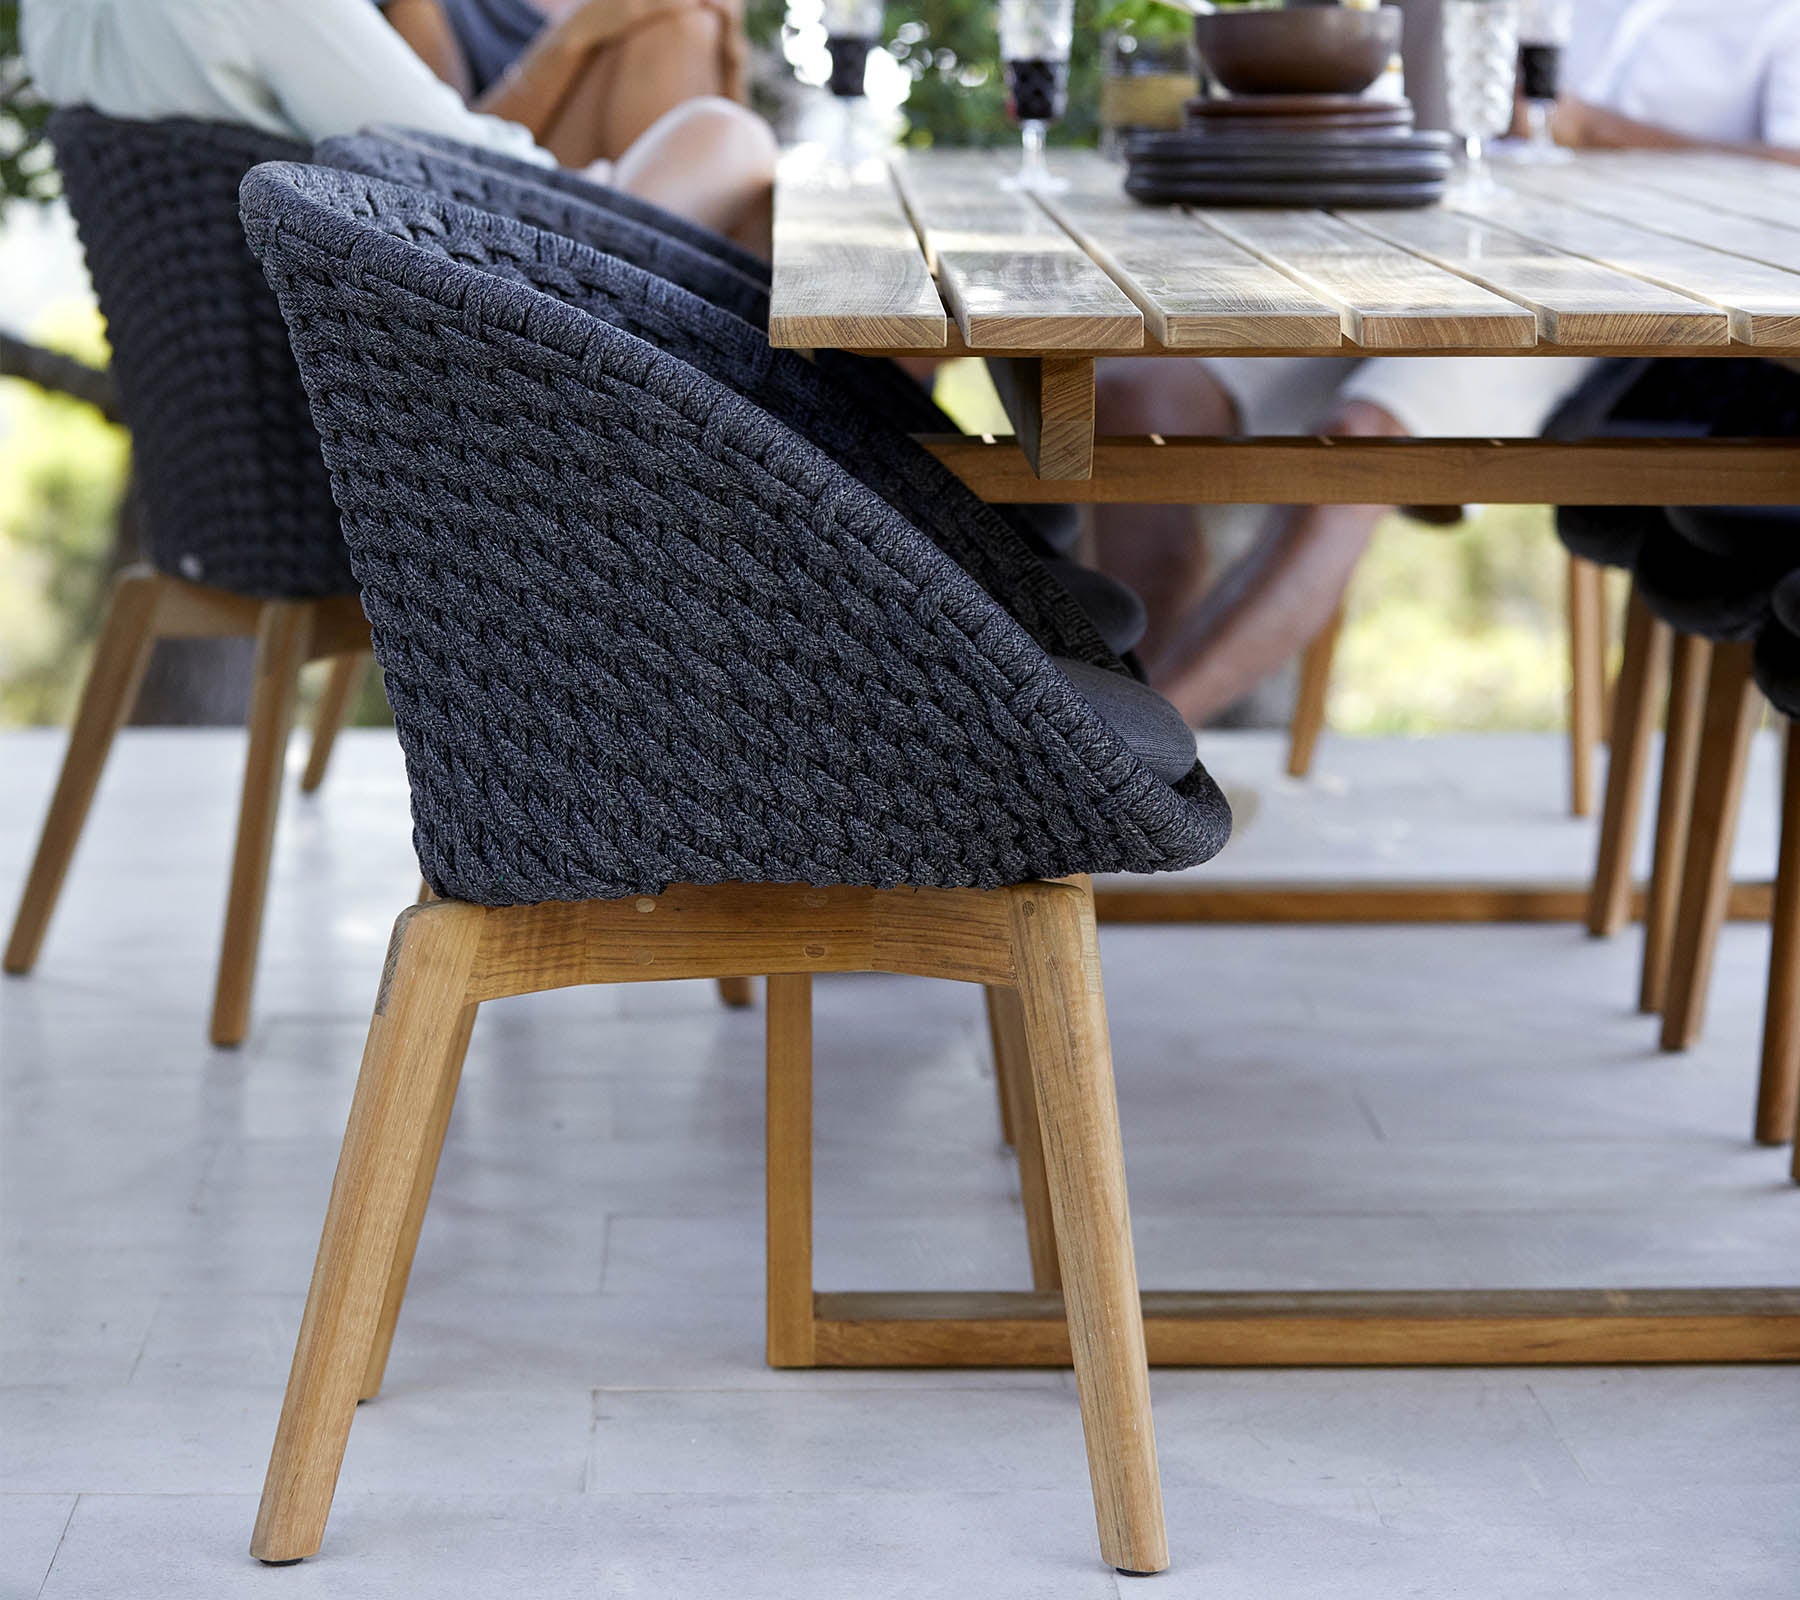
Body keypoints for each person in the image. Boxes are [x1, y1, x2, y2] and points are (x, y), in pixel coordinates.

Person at [1094, 0, 1800, 728]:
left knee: (1363, 440)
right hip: (1423, 250)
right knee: (1140, 395)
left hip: (1605, 299)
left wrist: (1595, 131)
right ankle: (1113, 726)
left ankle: (1121, 768)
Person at [21, 0, 777, 254]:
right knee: (723, 139)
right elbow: (453, 159)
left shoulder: (48, 18)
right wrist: (607, 181)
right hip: (411, 363)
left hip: (278, 368)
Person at [379, 0, 748, 168]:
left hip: (643, 181)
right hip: (518, 190)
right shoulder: (429, 8)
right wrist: (569, 40)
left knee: (681, 24)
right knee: (672, 28)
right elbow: (440, 156)